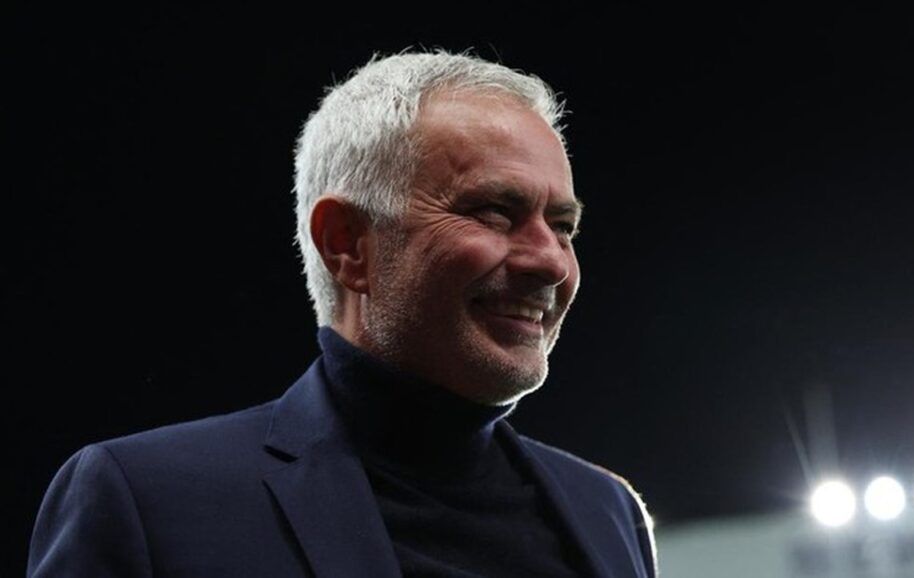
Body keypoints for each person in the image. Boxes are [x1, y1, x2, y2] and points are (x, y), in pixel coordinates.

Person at [28, 51, 657, 577]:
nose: (551, 262)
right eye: (494, 212)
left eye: (563, 226)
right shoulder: (148, 500)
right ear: (347, 244)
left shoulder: (607, 512)